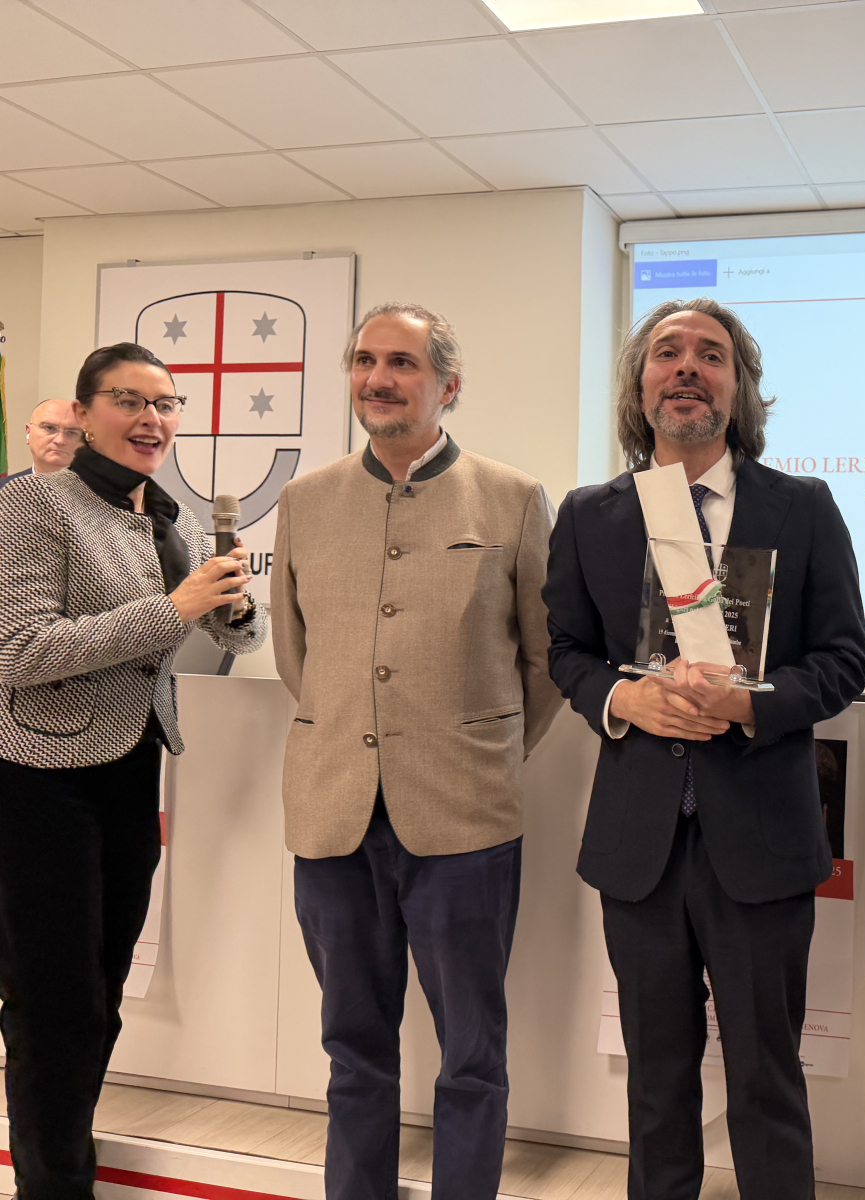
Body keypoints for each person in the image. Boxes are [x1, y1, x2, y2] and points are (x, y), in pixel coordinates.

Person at [544, 298, 865, 1200]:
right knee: (655, 1081)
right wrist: (625, 699)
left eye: (712, 355)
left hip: (761, 839)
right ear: (639, 385)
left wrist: (747, 704)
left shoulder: (801, 508)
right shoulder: (590, 515)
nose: (687, 366)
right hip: (637, 845)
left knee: (768, 1077)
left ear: (739, 388)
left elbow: (843, 660)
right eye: (667, 352)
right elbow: (565, 651)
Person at [270, 303, 563, 1200]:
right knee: (352, 1046)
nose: (378, 378)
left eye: (401, 362)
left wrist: (481, 749)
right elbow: (296, 655)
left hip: (465, 816)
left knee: (471, 1052)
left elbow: (545, 661)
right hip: (333, 813)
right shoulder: (306, 500)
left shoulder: (511, 497)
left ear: (448, 386)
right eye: (364, 361)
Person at [0, 343, 263, 1198]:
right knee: (53, 1002)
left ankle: (61, 1161)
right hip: (39, 774)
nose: (153, 418)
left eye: (167, 403)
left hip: (129, 768)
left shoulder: (162, 516)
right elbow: (21, 651)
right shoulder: (34, 503)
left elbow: (226, 634)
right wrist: (174, 608)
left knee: (100, 992)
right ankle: (55, 1185)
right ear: (83, 414)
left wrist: (233, 611)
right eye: (129, 400)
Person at [1, 397, 83, 484]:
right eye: (49, 428)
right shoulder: (4, 488)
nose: (60, 440)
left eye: (71, 433)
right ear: (28, 432)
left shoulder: (92, 489)